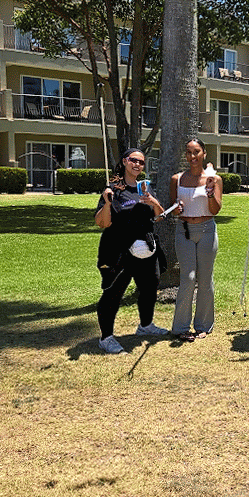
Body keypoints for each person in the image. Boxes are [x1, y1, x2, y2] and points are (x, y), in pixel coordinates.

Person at [94, 149, 169, 353]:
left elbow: (160, 217)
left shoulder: (144, 188)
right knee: (113, 292)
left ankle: (145, 326)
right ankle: (106, 337)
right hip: (119, 250)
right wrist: (108, 202)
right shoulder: (114, 189)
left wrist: (153, 202)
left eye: (141, 162)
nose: (137, 164)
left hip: (146, 248)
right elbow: (102, 223)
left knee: (150, 287)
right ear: (125, 161)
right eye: (134, 160)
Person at [169, 138, 223, 341]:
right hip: (184, 231)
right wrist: (177, 210)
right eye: (189, 152)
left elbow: (216, 209)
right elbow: (173, 208)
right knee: (188, 278)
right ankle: (181, 327)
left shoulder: (214, 180)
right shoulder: (177, 179)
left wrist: (210, 192)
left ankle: (203, 325)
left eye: (197, 152)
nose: (193, 156)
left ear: (204, 153)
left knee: (205, 278)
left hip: (207, 230)